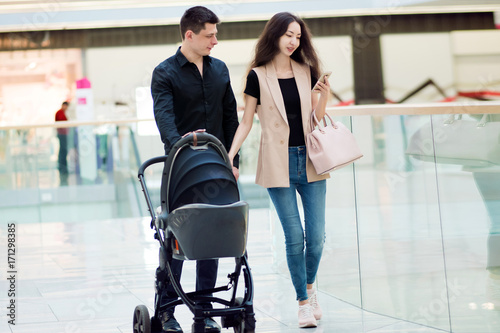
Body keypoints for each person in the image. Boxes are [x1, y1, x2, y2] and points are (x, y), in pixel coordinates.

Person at [227, 12, 331, 328]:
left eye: (298, 37)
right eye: (288, 34)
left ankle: (310, 287)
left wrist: (323, 97)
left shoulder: (306, 70)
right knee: (294, 236)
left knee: (316, 237)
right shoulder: (256, 76)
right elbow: (246, 121)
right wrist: (231, 155)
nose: (293, 41)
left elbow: (315, 118)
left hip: (311, 159)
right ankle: (302, 302)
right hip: (277, 161)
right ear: (274, 35)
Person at [151, 6, 239, 333]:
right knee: (176, 240)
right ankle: (166, 312)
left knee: (212, 238)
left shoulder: (220, 70)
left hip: (217, 170)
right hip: (180, 172)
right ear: (190, 35)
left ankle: (204, 310)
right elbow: (166, 122)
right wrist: (182, 152)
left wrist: (233, 161)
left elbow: (230, 118)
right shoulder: (165, 73)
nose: (216, 40)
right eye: (209, 35)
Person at [55, 101, 69, 185]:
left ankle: (63, 166)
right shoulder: (59, 113)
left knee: (63, 150)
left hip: (64, 133)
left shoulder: (63, 112)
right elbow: (61, 123)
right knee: (63, 150)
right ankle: (62, 167)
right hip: (61, 133)